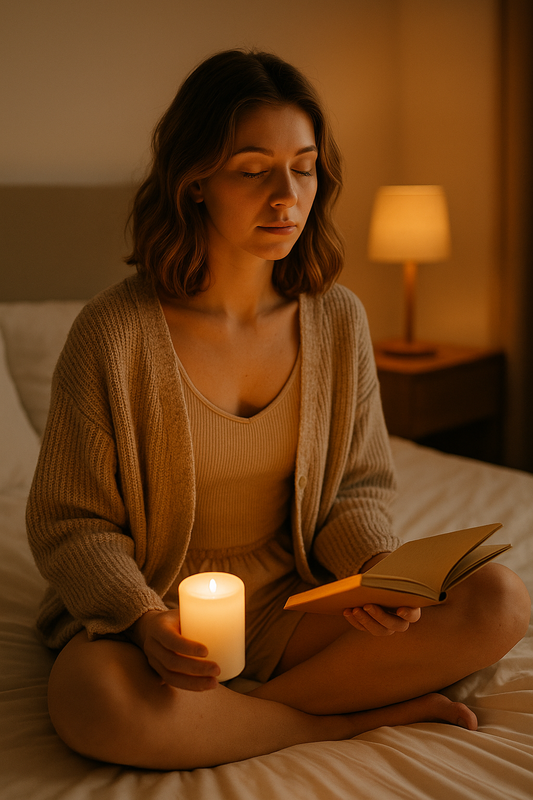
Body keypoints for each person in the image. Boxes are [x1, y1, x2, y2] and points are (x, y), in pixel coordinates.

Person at [27, 49, 530, 771]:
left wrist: (370, 569)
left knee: (498, 599)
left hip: (291, 602)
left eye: (303, 166)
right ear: (194, 181)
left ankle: (246, 717)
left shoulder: (337, 320)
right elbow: (70, 523)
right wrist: (142, 623)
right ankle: (330, 720)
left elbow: (355, 488)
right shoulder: (113, 334)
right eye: (252, 168)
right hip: (157, 612)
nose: (286, 195)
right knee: (92, 698)